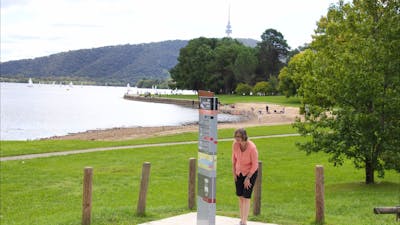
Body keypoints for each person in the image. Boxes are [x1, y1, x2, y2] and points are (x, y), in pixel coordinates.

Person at [232, 128, 259, 225]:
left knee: (246, 196)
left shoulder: (252, 148)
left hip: (250, 173)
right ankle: (241, 219)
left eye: (239, 136)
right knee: (240, 196)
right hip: (239, 172)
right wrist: (234, 172)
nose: (237, 139)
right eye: (236, 136)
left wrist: (248, 178)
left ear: (244, 136)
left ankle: (244, 221)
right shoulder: (235, 145)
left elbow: (255, 165)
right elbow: (234, 160)